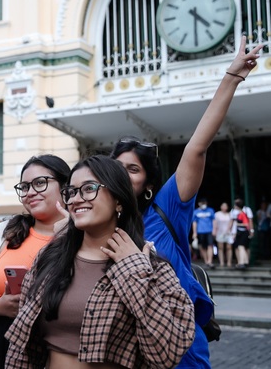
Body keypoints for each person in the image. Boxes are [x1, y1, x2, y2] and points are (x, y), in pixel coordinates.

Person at [110, 36, 263, 368]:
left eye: (132, 169)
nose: (123, 176)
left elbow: (196, 147)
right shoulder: (97, 225)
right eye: (116, 168)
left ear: (148, 184)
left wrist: (232, 77)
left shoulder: (166, 207)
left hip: (179, 346)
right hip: (124, 350)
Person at [4, 155, 195, 369]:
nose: (76, 199)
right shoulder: (49, 258)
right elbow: (20, 348)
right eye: (71, 191)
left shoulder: (152, 268)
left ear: (119, 199)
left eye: (89, 188)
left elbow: (167, 354)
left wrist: (134, 271)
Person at [0, 155, 70, 368]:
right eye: (24, 186)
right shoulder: (2, 233)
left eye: (40, 183)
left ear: (65, 186)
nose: (30, 192)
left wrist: (70, 232)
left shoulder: (81, 237)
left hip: (53, 352)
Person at [193, 198, 216, 268]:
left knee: (210, 245)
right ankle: (206, 261)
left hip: (209, 231)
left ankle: (210, 261)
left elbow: (214, 220)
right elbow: (194, 223)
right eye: (202, 203)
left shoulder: (210, 210)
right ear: (199, 204)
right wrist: (194, 232)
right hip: (200, 231)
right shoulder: (196, 212)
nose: (203, 205)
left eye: (204, 203)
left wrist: (214, 230)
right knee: (202, 246)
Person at [231, 199, 253, 269]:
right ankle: (245, 262)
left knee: (241, 247)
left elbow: (246, 223)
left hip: (244, 232)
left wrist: (237, 224)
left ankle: (241, 262)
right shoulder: (238, 213)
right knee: (241, 247)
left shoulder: (242, 213)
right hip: (240, 232)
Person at [212, 202, 233, 268]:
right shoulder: (217, 214)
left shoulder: (230, 214)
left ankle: (229, 262)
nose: (224, 207)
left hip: (228, 233)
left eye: (225, 206)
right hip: (219, 232)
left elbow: (231, 223)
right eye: (223, 206)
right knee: (220, 248)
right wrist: (214, 231)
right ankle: (222, 262)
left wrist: (228, 230)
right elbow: (214, 223)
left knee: (229, 247)